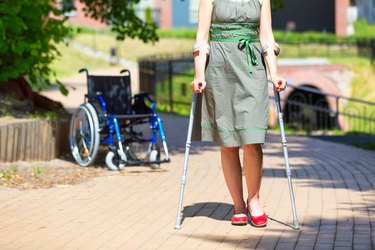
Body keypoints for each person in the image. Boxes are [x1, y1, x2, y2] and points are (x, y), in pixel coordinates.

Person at [190, 0, 286, 227]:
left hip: (251, 69)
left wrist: (274, 74)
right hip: (220, 68)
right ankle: (238, 205)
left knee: (253, 140)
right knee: (228, 140)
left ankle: (254, 200)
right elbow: (202, 40)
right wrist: (199, 75)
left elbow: (266, 37)